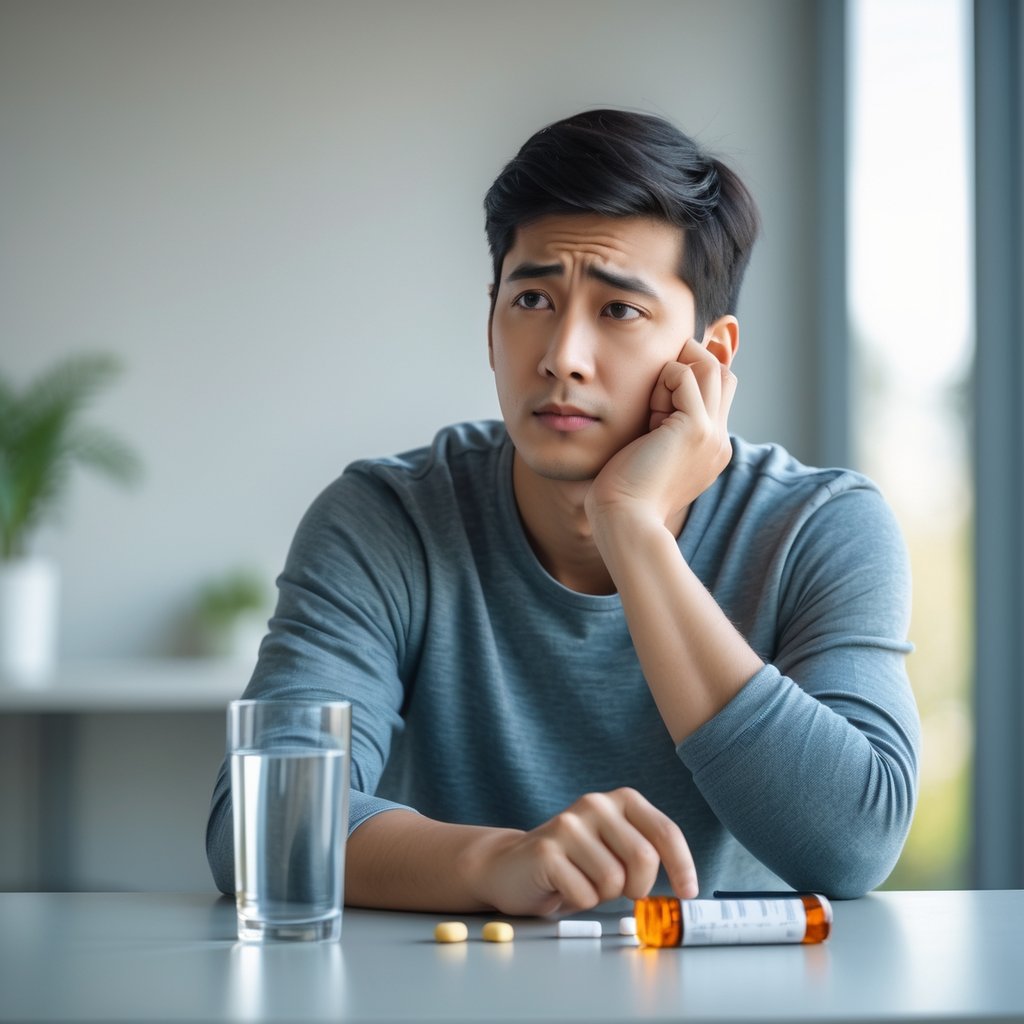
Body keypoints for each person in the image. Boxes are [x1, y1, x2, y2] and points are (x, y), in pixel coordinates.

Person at [206, 109, 920, 915]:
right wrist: (499, 863)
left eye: (619, 310)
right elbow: (260, 826)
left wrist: (633, 530)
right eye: (534, 298)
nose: (560, 357)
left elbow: (855, 846)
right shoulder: (387, 519)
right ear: (489, 320)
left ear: (709, 356)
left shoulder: (820, 527)